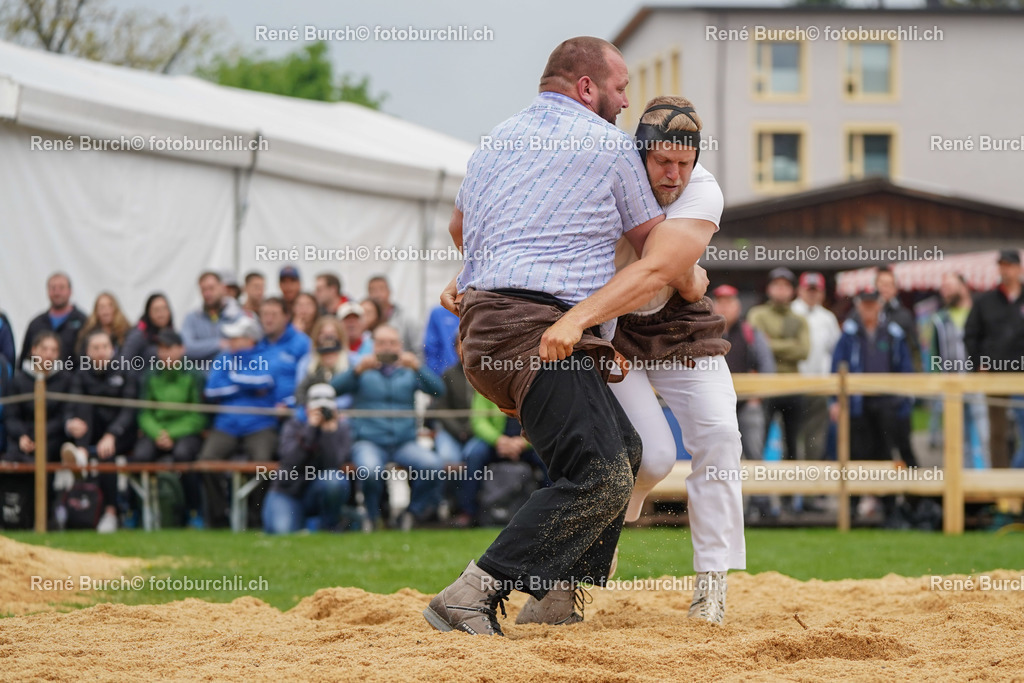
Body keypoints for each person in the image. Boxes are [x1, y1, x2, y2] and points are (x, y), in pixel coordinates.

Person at [426, 37, 694, 637]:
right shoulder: (611, 147)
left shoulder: (496, 139)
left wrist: (493, 274)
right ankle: (472, 592)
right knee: (601, 473)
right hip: (542, 332)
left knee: (622, 455)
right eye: (621, 87)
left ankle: (553, 596)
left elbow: (459, 227)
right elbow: (658, 253)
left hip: (480, 332)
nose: (627, 101)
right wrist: (694, 271)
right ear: (586, 88)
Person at [600, 96, 740, 624]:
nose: (674, 173)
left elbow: (676, 277)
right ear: (641, 154)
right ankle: (600, 544)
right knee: (652, 457)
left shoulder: (704, 188)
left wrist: (682, 271)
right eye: (662, 161)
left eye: (684, 162)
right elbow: (679, 271)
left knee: (721, 436)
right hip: (611, 327)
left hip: (680, 324)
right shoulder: (609, 175)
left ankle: (712, 583)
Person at [331, 324, 445, 530]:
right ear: (374, 346)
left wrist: (418, 367)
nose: (387, 348)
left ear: (400, 346)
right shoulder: (362, 369)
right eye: (382, 343)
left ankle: (411, 514)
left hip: (404, 442)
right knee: (370, 471)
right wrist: (355, 372)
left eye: (392, 343)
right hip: (368, 441)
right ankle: (372, 517)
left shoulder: (409, 371)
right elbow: (333, 389)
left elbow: (438, 390)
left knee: (433, 466)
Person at [830, 290, 914, 526]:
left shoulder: (893, 333)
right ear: (858, 306)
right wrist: (835, 401)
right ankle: (852, 508)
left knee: (885, 455)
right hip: (858, 404)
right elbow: (837, 366)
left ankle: (889, 508)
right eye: (864, 305)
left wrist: (902, 400)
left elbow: (904, 368)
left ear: (879, 305)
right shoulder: (849, 333)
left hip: (886, 403)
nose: (868, 309)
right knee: (856, 455)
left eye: (872, 304)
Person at [197, 316, 278, 528]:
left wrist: (232, 378)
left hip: (260, 425)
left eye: (236, 337)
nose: (231, 341)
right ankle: (220, 517)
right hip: (226, 425)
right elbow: (212, 390)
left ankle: (255, 517)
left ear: (250, 339)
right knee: (206, 462)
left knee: (263, 465)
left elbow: (265, 381)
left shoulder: (264, 355)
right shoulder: (224, 358)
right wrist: (245, 385)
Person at [62, 330, 138, 533]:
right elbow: (72, 406)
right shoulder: (80, 373)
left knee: (107, 455)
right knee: (84, 406)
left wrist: (112, 434)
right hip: (90, 435)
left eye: (104, 347)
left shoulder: (125, 370)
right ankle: (82, 454)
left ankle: (111, 513)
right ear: (87, 351)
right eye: (95, 348)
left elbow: (129, 410)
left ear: (112, 349)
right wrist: (70, 423)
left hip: (121, 435)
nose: (101, 352)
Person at [712, 284, 777, 520]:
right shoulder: (707, 332)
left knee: (755, 453)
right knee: (720, 457)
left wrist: (757, 395)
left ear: (738, 306)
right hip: (718, 405)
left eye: (729, 302)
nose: (725, 306)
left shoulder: (751, 332)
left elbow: (768, 366)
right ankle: (726, 509)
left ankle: (762, 505)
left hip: (748, 403)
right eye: (720, 302)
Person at [132, 329, 206, 526]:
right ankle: (137, 510)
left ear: (182, 349)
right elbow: (144, 412)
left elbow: (198, 416)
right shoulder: (150, 375)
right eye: (161, 349)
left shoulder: (194, 375)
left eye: (169, 348)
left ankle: (193, 511)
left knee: (184, 456)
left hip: (184, 431)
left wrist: (171, 434)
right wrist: (158, 433)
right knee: (139, 457)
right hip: (157, 430)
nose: (164, 353)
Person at [263, 383, 353, 534]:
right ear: (307, 406)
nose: (321, 412)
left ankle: (329, 527)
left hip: (318, 490)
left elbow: (333, 465)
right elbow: (291, 461)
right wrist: (310, 428)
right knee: (281, 532)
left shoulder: (341, 428)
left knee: (334, 480)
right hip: (288, 491)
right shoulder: (293, 424)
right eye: (317, 408)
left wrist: (329, 433)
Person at [965, 249, 1024, 469]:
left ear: (1019, 268)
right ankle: (1001, 487)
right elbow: (970, 334)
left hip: (1022, 374)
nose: (1005, 271)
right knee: (997, 432)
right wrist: (978, 363)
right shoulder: (985, 301)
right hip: (995, 373)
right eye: (1002, 266)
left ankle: (1018, 481)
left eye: (1009, 266)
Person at [748, 267, 809, 467]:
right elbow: (755, 348)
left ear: (793, 291)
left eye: (785, 286)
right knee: (759, 441)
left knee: (793, 443)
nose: (781, 290)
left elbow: (803, 351)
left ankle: (789, 495)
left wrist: (770, 343)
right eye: (776, 285)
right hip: (766, 387)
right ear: (769, 289)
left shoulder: (799, 319)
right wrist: (788, 344)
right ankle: (759, 495)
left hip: (793, 386)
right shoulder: (758, 314)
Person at [929, 272, 989, 468]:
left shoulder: (980, 313)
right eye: (943, 287)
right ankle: (964, 486)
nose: (943, 291)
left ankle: (986, 481)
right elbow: (935, 354)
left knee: (983, 434)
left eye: (949, 286)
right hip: (951, 385)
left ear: (963, 287)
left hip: (978, 384)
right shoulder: (940, 320)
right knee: (956, 438)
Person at [791, 272, 841, 463]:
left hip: (820, 386)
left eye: (816, 290)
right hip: (793, 384)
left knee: (816, 438)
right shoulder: (791, 312)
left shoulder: (828, 318)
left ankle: (812, 487)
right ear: (800, 290)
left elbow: (834, 352)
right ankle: (790, 488)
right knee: (792, 437)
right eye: (808, 289)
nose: (812, 294)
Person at [875, 266, 920, 468]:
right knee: (878, 447)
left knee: (904, 444)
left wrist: (912, 384)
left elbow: (914, 350)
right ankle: (886, 498)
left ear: (895, 288)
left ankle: (914, 496)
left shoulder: (904, 316)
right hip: (874, 391)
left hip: (899, 391)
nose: (885, 289)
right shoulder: (866, 313)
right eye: (881, 284)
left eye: (889, 284)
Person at [19, 272, 87, 370]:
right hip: (39, 382)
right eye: (53, 288)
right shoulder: (36, 324)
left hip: (73, 382)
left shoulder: (83, 322)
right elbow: (24, 359)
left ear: (70, 291)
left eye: (61, 288)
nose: (57, 292)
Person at [256, 297, 311, 409]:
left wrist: (289, 404)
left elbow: (310, 380)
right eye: (265, 314)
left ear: (286, 317)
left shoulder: (302, 343)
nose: (269, 320)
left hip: (291, 412)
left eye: (274, 315)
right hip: (260, 413)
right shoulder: (255, 344)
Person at [181, 271, 241, 363]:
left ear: (223, 288)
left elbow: (242, 346)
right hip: (200, 375)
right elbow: (187, 348)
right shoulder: (191, 318)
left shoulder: (236, 315)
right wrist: (219, 344)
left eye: (211, 288)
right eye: (203, 290)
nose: (207, 293)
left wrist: (201, 348)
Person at [295, 316, 350, 409]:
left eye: (332, 333)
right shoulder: (308, 364)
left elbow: (350, 396)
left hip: (342, 414)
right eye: (323, 333)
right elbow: (300, 391)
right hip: (312, 410)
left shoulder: (350, 363)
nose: (328, 338)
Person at [121, 293, 175, 372]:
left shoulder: (172, 335)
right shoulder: (139, 335)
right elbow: (124, 363)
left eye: (164, 309)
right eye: (156, 310)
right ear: (148, 313)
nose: (161, 314)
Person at [366, 276, 420, 354]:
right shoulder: (366, 320)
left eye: (381, 289)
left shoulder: (406, 319)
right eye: (372, 290)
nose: (377, 294)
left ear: (389, 292)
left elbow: (418, 348)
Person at [75, 292, 131, 357]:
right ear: (96, 311)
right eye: (102, 307)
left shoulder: (126, 332)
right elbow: (81, 356)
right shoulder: (88, 333)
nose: (106, 311)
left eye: (110, 306)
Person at [423, 305, 460, 377]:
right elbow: (430, 348)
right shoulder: (438, 313)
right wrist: (435, 375)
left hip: (472, 376)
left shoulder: (478, 311)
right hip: (443, 375)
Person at [340, 301, 374, 366]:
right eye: (347, 320)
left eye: (356, 319)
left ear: (363, 323)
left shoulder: (374, 346)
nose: (351, 324)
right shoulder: (333, 347)